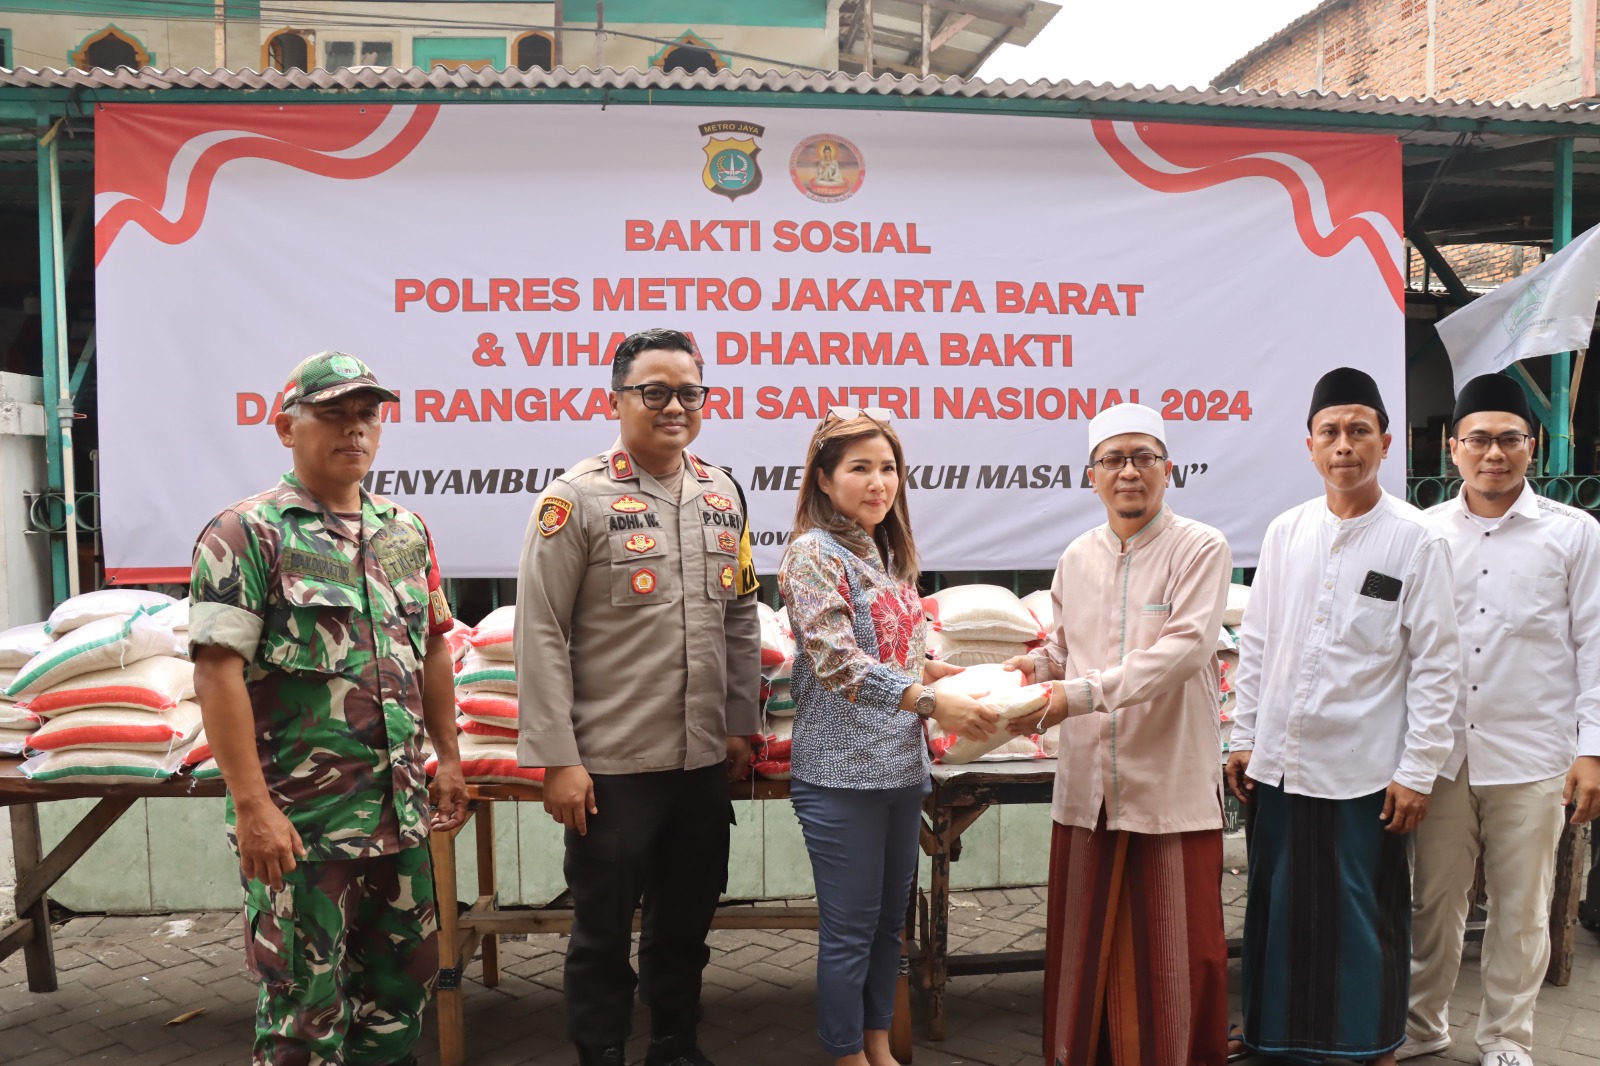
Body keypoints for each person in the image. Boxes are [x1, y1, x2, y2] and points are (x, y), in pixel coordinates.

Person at [189, 351, 468, 1066]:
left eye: (367, 415)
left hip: (400, 818)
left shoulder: (406, 531)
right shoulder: (247, 533)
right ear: (286, 427)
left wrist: (450, 759)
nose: (355, 429)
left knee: (401, 1001)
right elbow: (216, 672)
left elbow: (434, 648)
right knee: (303, 1018)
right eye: (333, 414)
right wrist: (252, 806)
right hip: (300, 828)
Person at [515, 327, 762, 1066]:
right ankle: (601, 1053)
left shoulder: (723, 492)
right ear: (617, 399)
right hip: (613, 767)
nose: (673, 406)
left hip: (698, 763)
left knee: (686, 924)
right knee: (601, 930)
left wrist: (740, 724)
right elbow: (541, 631)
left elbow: (742, 613)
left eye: (689, 392)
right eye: (653, 391)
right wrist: (558, 758)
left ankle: (674, 1045)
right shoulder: (576, 500)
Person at [1228, 367, 1462, 1066]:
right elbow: (1259, 642)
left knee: (1364, 914)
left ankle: (1371, 1045)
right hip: (1281, 764)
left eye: (1360, 430)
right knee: (1278, 909)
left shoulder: (1417, 540)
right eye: (1330, 431)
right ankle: (1273, 1039)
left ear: (1386, 443)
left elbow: (1437, 666)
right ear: (1309, 445)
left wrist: (1418, 771)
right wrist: (1243, 737)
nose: (1344, 445)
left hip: (1367, 770)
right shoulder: (1284, 533)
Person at [1002, 402, 1233, 1066]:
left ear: (1168, 470)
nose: (1129, 472)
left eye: (1143, 458)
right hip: (1088, 787)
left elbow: (1185, 652)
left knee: (1178, 952)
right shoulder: (1078, 556)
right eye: (1114, 459)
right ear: (1092, 475)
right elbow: (1064, 649)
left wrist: (1075, 693)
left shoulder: (1201, 547)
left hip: (1169, 784)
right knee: (1084, 944)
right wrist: (1032, 668)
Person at [778, 409, 998, 1066]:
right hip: (840, 776)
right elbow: (840, 663)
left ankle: (879, 1046)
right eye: (860, 468)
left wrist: (964, 677)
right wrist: (933, 700)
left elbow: (897, 655)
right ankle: (845, 1055)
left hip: (902, 772)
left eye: (888, 468)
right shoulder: (812, 554)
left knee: (887, 930)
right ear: (822, 478)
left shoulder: (883, 551)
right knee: (848, 932)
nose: (879, 483)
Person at [1400, 373, 1600, 1066]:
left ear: (1532, 446)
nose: (1494, 454)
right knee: (1434, 903)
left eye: (1509, 439)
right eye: (1478, 439)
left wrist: (1592, 750)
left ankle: (1508, 1038)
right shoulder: (1420, 535)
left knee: (1522, 909)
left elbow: (1594, 644)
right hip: (1442, 756)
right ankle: (1424, 1026)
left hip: (1533, 753)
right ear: (1452, 449)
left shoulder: (1574, 535)